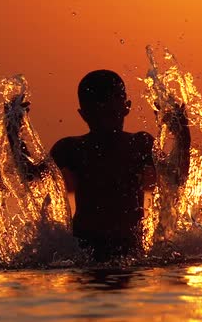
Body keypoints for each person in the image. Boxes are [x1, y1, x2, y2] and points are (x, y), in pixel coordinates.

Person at [48, 70, 190, 261]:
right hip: (87, 250)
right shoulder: (71, 148)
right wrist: (14, 132)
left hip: (128, 250)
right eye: (99, 112)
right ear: (84, 114)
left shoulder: (139, 144)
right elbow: (30, 177)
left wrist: (182, 135)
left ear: (126, 108)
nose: (105, 119)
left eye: (110, 111)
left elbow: (176, 178)